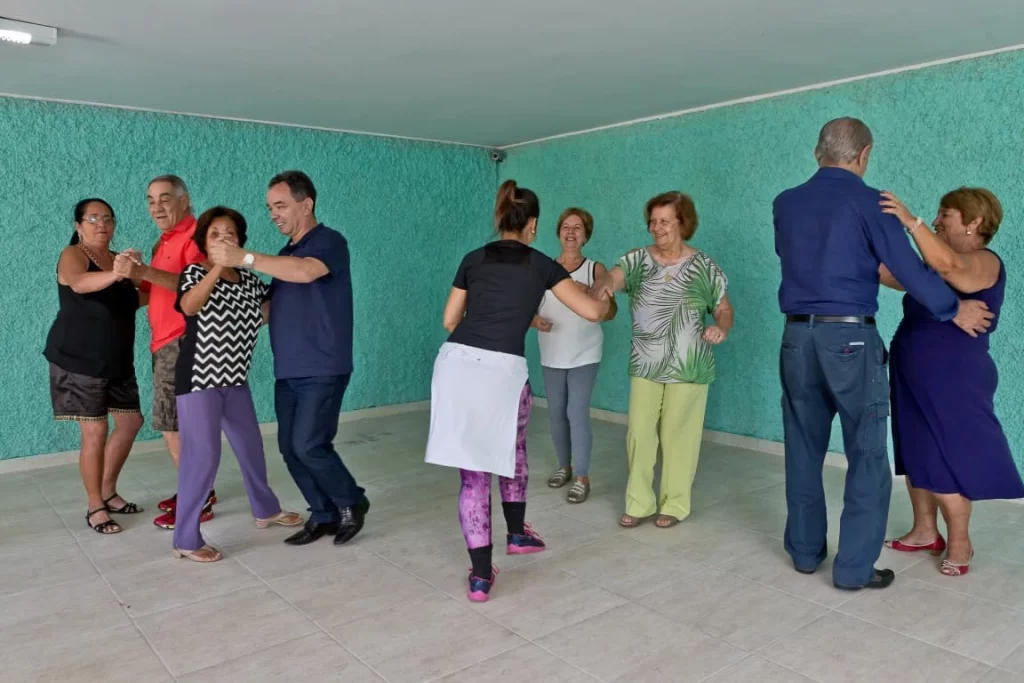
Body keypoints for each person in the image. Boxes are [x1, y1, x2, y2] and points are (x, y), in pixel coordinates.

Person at [773, 117, 994, 591]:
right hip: (849, 339)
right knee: (867, 454)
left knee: (803, 448)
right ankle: (853, 568)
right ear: (864, 155)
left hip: (795, 338)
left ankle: (806, 554)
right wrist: (951, 308)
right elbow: (907, 270)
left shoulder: (786, 203)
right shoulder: (868, 202)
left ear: (818, 153)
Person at [426, 180, 610, 602]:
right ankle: (516, 534)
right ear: (534, 224)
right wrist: (607, 286)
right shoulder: (542, 265)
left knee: (473, 476)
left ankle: (479, 577)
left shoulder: (474, 258)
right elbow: (593, 310)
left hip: (454, 363)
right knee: (511, 452)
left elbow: (450, 318)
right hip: (501, 370)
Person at [208, 171, 368, 547]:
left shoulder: (329, 241)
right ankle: (324, 513)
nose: (273, 214)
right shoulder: (283, 255)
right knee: (289, 448)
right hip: (290, 368)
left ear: (306, 204)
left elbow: (307, 271)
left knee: (310, 444)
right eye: (269, 208)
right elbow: (268, 310)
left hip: (324, 364)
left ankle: (351, 501)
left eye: (280, 206)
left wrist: (244, 257)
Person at [877, 187, 1023, 577]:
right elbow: (890, 274)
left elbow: (949, 268)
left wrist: (911, 222)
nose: (937, 220)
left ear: (974, 222)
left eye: (946, 214)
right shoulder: (935, 262)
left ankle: (960, 542)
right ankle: (925, 531)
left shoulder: (983, 261)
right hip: (911, 365)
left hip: (954, 374)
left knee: (945, 455)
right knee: (915, 449)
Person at [590, 192, 733, 529]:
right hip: (646, 364)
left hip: (689, 365)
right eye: (653, 221)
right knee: (640, 433)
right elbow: (613, 277)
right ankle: (639, 502)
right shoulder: (637, 259)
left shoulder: (704, 266)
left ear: (682, 223)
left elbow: (724, 309)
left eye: (665, 221)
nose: (657, 227)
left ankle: (675, 503)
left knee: (678, 436)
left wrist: (720, 328)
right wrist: (604, 286)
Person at [171, 206, 304, 562]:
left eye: (229, 233)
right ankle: (185, 538)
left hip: (235, 378)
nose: (223, 239)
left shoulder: (249, 281)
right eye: (215, 234)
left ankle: (265, 509)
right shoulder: (195, 272)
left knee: (250, 448)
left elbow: (268, 313)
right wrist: (217, 265)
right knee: (203, 458)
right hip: (200, 379)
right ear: (204, 242)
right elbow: (188, 306)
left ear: (240, 240)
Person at [118, 175, 217, 529]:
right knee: (177, 426)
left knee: (174, 428)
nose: (156, 207)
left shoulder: (195, 236)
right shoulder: (167, 240)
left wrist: (143, 270)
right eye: (150, 200)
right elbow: (152, 291)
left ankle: (199, 498)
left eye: (164, 199)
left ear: (184, 200)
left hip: (181, 341)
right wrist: (129, 274)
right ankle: (197, 487)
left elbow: (195, 285)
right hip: (164, 342)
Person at [43, 199, 146, 534]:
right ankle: (94, 506)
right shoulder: (73, 254)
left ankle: (108, 489)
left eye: (108, 218)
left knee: (131, 422)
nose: (101, 224)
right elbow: (79, 284)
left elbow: (138, 298)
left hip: (116, 359)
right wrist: (118, 273)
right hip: (79, 358)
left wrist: (144, 274)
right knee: (95, 430)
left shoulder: (118, 260)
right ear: (78, 225)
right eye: (93, 218)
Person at [533, 208, 616, 503]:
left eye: (577, 228)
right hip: (552, 351)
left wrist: (593, 294)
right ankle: (563, 467)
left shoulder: (595, 270)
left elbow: (611, 312)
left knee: (576, 412)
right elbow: (529, 307)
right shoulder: (543, 268)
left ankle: (582, 477)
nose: (570, 232)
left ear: (586, 235)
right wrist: (534, 320)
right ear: (558, 232)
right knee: (556, 413)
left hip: (585, 353)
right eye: (565, 227)